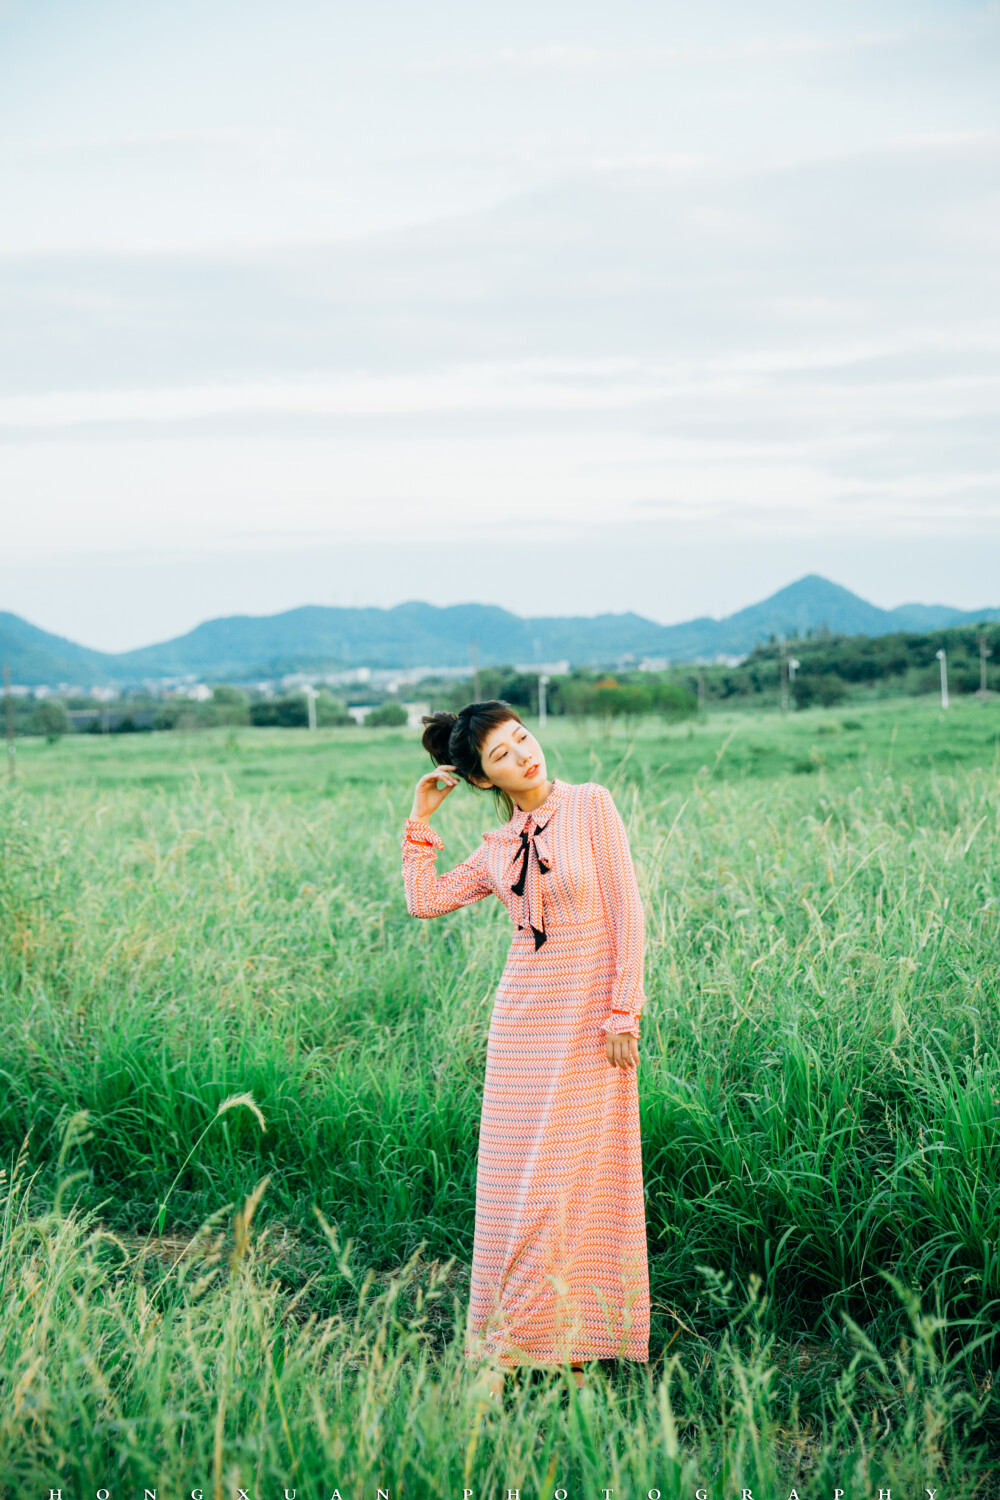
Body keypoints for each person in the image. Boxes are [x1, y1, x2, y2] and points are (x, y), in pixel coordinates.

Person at [401, 700, 650, 1400]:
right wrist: (421, 821)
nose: (523, 755)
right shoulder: (495, 847)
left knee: (572, 1182)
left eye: (522, 738)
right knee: (515, 1187)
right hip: (521, 1029)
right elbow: (426, 901)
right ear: (482, 779)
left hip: (590, 1026)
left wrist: (622, 1011)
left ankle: (519, 1346)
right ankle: (540, 1345)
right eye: (503, 755)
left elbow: (628, 912)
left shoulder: (592, 806)